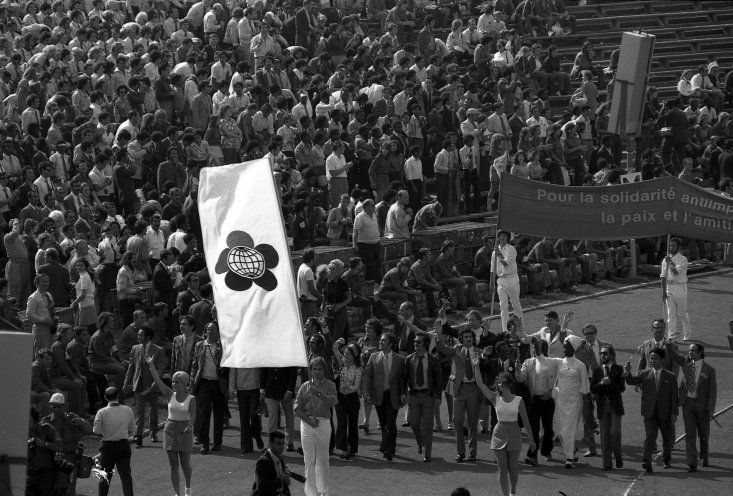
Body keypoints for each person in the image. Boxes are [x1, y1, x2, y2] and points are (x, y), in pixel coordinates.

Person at [474, 367, 535, 496]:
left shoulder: (519, 400)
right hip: (499, 433)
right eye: (499, 383)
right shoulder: (495, 398)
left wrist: (532, 440)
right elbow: (480, 383)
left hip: (514, 432)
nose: (501, 385)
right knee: (502, 469)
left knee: (513, 470)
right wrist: (476, 365)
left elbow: (526, 422)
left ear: (510, 384)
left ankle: (513, 491)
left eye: (504, 382)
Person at [433, 325, 487, 462]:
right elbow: (441, 348)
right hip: (459, 389)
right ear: (461, 339)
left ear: (473, 339)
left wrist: (486, 355)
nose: (468, 339)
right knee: (457, 421)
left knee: (473, 423)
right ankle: (460, 452)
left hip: (474, 390)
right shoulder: (456, 350)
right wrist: (438, 335)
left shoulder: (479, 352)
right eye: (466, 337)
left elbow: (486, 360)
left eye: (470, 337)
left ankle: (473, 453)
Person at [145, 353, 196, 496]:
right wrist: (151, 364)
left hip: (185, 430)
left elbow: (193, 415)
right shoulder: (169, 394)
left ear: (184, 383)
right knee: (174, 465)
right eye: (173, 382)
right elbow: (157, 380)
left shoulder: (191, 398)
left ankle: (188, 487)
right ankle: (177, 493)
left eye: (177, 382)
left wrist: (190, 425)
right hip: (170, 430)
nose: (173, 384)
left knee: (185, 464)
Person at [624, 348, 679, 473]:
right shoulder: (644, 373)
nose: (652, 361)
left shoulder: (671, 376)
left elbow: (674, 397)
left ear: (662, 359)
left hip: (665, 413)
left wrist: (674, 413)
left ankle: (666, 460)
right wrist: (628, 373)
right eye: (651, 359)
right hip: (650, 412)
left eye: (655, 359)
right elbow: (632, 381)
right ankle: (647, 461)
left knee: (667, 439)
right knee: (650, 437)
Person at [294, 356, 338, 496]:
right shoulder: (304, 386)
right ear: (311, 371)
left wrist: (319, 394)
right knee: (309, 459)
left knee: (323, 459)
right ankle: (311, 492)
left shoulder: (330, 385)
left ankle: (323, 490)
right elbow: (297, 407)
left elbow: (333, 402)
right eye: (314, 369)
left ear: (324, 370)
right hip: (307, 424)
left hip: (323, 423)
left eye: (320, 369)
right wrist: (308, 420)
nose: (317, 372)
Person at [546, 335, 591, 468]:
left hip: (575, 402)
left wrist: (587, 409)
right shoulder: (559, 362)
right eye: (564, 346)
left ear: (574, 349)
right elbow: (544, 359)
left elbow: (585, 387)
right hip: (560, 401)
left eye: (567, 346)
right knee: (559, 430)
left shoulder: (580, 365)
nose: (564, 348)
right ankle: (573, 451)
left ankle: (569, 458)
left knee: (569, 430)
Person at [362, 332, 406, 461]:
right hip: (379, 395)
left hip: (393, 395)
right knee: (383, 422)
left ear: (391, 344)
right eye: (380, 340)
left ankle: (389, 449)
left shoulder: (400, 360)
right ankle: (387, 445)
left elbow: (403, 380)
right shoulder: (374, 357)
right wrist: (366, 392)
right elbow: (367, 376)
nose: (380, 342)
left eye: (383, 341)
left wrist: (404, 394)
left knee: (390, 423)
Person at [42, 392, 93, 496]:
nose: (56, 409)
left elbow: (89, 429)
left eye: (58, 406)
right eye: (53, 406)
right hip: (53, 460)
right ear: (50, 405)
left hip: (70, 458)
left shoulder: (72, 418)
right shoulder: (45, 422)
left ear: (64, 406)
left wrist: (81, 422)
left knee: (70, 490)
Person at [515, 337, 556, 465]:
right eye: (535, 348)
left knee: (548, 428)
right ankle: (533, 456)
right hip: (534, 401)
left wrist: (551, 393)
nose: (539, 350)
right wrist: (517, 370)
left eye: (543, 348)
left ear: (547, 350)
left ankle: (547, 450)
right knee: (534, 428)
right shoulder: (528, 362)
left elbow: (559, 380)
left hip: (549, 400)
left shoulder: (553, 362)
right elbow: (521, 379)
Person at [403, 331, 442, 462]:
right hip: (414, 396)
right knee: (414, 424)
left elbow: (439, 379)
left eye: (418, 342)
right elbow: (404, 378)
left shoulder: (433, 359)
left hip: (428, 396)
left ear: (425, 344)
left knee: (427, 425)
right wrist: (403, 393)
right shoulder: (409, 359)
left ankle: (427, 451)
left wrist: (438, 396)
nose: (415, 344)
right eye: (414, 342)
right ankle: (421, 443)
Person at [190, 321, 228, 454]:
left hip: (219, 384)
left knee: (219, 415)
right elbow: (195, 365)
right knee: (203, 414)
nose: (209, 331)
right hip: (204, 383)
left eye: (212, 329)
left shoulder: (223, 346)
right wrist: (192, 381)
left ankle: (217, 443)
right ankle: (204, 443)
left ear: (218, 331)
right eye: (207, 329)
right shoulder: (200, 345)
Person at [123, 324, 164, 449]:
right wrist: (126, 383)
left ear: (148, 337)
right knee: (140, 412)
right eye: (138, 335)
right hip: (138, 385)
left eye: (141, 335)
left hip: (152, 386)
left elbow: (160, 369)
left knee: (153, 411)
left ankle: (153, 432)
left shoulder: (158, 350)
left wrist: (153, 384)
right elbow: (131, 367)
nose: (138, 337)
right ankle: (139, 437)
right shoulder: (135, 348)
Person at [678, 343, 716, 472]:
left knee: (703, 434)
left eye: (693, 350)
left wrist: (711, 409)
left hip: (702, 407)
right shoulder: (685, 367)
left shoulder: (709, 370)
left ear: (700, 352)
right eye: (689, 350)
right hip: (687, 404)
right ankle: (692, 463)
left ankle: (704, 457)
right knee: (690, 434)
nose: (690, 352)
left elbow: (712, 392)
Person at [92, 387, 136, 496]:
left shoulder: (101, 412)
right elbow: (131, 429)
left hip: (108, 447)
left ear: (105, 397)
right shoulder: (127, 410)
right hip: (123, 445)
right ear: (117, 396)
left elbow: (96, 431)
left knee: (105, 476)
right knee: (126, 476)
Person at [589, 343, 625, 471]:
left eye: (605, 353)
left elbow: (622, 388)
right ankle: (607, 464)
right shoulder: (597, 371)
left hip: (615, 406)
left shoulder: (618, 369)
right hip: (602, 407)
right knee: (604, 436)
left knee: (614, 433)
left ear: (611, 355)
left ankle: (618, 457)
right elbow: (592, 388)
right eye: (601, 353)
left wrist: (610, 383)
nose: (602, 355)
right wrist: (601, 383)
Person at [331, 338, 363, 460]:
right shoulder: (342, 363)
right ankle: (343, 448)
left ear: (354, 355)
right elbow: (334, 349)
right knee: (342, 422)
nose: (345, 355)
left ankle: (352, 448)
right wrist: (339, 341)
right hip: (340, 398)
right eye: (345, 352)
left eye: (348, 353)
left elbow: (356, 386)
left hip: (352, 398)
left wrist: (347, 387)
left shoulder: (358, 368)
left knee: (353, 424)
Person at [261, 366, 299, 452]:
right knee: (272, 419)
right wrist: (262, 390)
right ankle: (270, 445)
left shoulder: (289, 353)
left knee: (289, 416)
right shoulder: (267, 353)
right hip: (271, 389)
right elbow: (263, 371)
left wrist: (290, 390)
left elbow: (293, 373)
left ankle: (289, 442)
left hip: (286, 389)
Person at [491, 230, 523, 334]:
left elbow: (505, 263)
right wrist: (491, 282)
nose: (502, 237)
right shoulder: (494, 252)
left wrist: (498, 253)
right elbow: (493, 269)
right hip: (500, 280)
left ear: (508, 238)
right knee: (503, 305)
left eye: (504, 236)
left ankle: (520, 328)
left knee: (515, 304)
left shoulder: (511, 249)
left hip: (512, 278)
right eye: (500, 236)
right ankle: (505, 331)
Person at [661, 237, 692, 341]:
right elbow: (663, 276)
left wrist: (670, 262)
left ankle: (687, 333)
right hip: (669, 288)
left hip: (680, 288)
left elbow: (675, 271)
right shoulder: (665, 259)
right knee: (670, 314)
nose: (671, 247)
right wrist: (663, 292)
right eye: (670, 245)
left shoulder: (683, 259)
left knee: (682, 313)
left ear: (678, 247)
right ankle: (671, 335)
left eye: (673, 246)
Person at [26, 406, 62, 496]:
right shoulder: (21, 432)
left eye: (28, 420)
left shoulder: (46, 429)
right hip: (28, 475)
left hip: (45, 475)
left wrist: (44, 443)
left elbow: (60, 447)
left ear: (35, 420)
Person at [229, 367, 264, 454]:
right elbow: (233, 371)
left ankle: (256, 433)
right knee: (244, 418)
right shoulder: (237, 354)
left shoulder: (255, 353)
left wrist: (262, 389)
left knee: (254, 415)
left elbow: (261, 369)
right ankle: (247, 446)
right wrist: (231, 389)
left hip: (255, 388)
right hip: (241, 389)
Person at [252, 429, 293, 496]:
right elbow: (260, 486)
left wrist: (285, 482)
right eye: (278, 444)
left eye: (283, 443)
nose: (282, 447)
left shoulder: (279, 457)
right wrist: (281, 480)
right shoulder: (263, 461)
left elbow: (284, 485)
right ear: (270, 444)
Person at [26, 273, 57, 357]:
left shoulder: (48, 294)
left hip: (51, 327)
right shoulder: (33, 297)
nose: (46, 283)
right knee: (41, 355)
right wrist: (44, 320)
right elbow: (29, 314)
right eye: (43, 281)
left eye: (47, 281)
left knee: (51, 353)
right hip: (40, 328)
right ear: (37, 283)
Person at [71, 258, 97, 328]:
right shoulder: (86, 274)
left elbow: (83, 295)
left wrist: (74, 303)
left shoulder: (84, 277)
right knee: (90, 328)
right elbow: (92, 290)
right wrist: (77, 285)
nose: (79, 267)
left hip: (85, 306)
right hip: (90, 304)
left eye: (81, 265)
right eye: (77, 265)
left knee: (82, 329)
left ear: (85, 266)